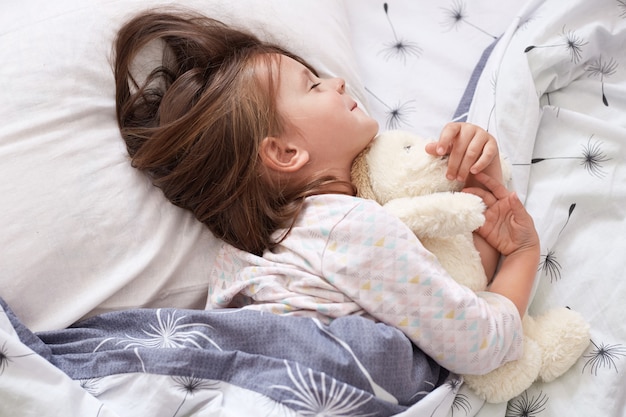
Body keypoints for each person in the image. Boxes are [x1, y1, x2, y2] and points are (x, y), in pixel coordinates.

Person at [114, 10, 539, 379]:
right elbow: (477, 343)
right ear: (284, 153)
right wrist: (521, 253)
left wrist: (480, 192)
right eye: (313, 85)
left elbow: (446, 295)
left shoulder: (255, 255)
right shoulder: (353, 228)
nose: (337, 82)